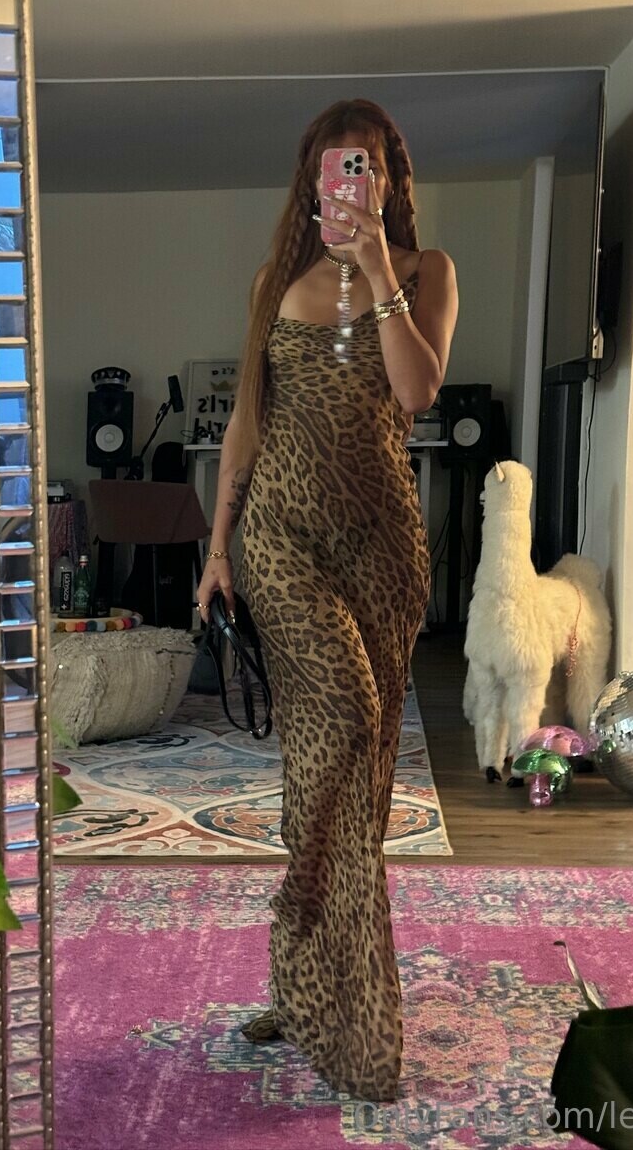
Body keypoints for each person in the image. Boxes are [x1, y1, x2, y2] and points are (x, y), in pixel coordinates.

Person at [196, 98, 459, 1102]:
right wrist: (217, 548)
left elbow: (418, 391)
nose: (353, 179)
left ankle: (301, 977)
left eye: (370, 165)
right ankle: (307, 935)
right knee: (343, 715)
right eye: (336, 165)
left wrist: (381, 270)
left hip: (382, 551)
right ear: (312, 180)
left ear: (390, 179)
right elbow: (245, 424)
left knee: (348, 770)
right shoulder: (274, 282)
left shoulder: (427, 273)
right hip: (281, 538)